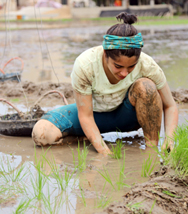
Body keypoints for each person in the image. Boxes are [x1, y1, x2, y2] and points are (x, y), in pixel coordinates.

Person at [32, 12, 178, 156]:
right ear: (105, 54)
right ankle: (84, 138)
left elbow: (170, 105)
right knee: (41, 134)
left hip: (127, 116)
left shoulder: (147, 64)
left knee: (147, 87)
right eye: (118, 66)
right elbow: (86, 116)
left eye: (131, 67)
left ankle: (151, 149)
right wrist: (104, 153)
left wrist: (169, 139)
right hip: (93, 115)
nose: (124, 73)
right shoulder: (86, 64)